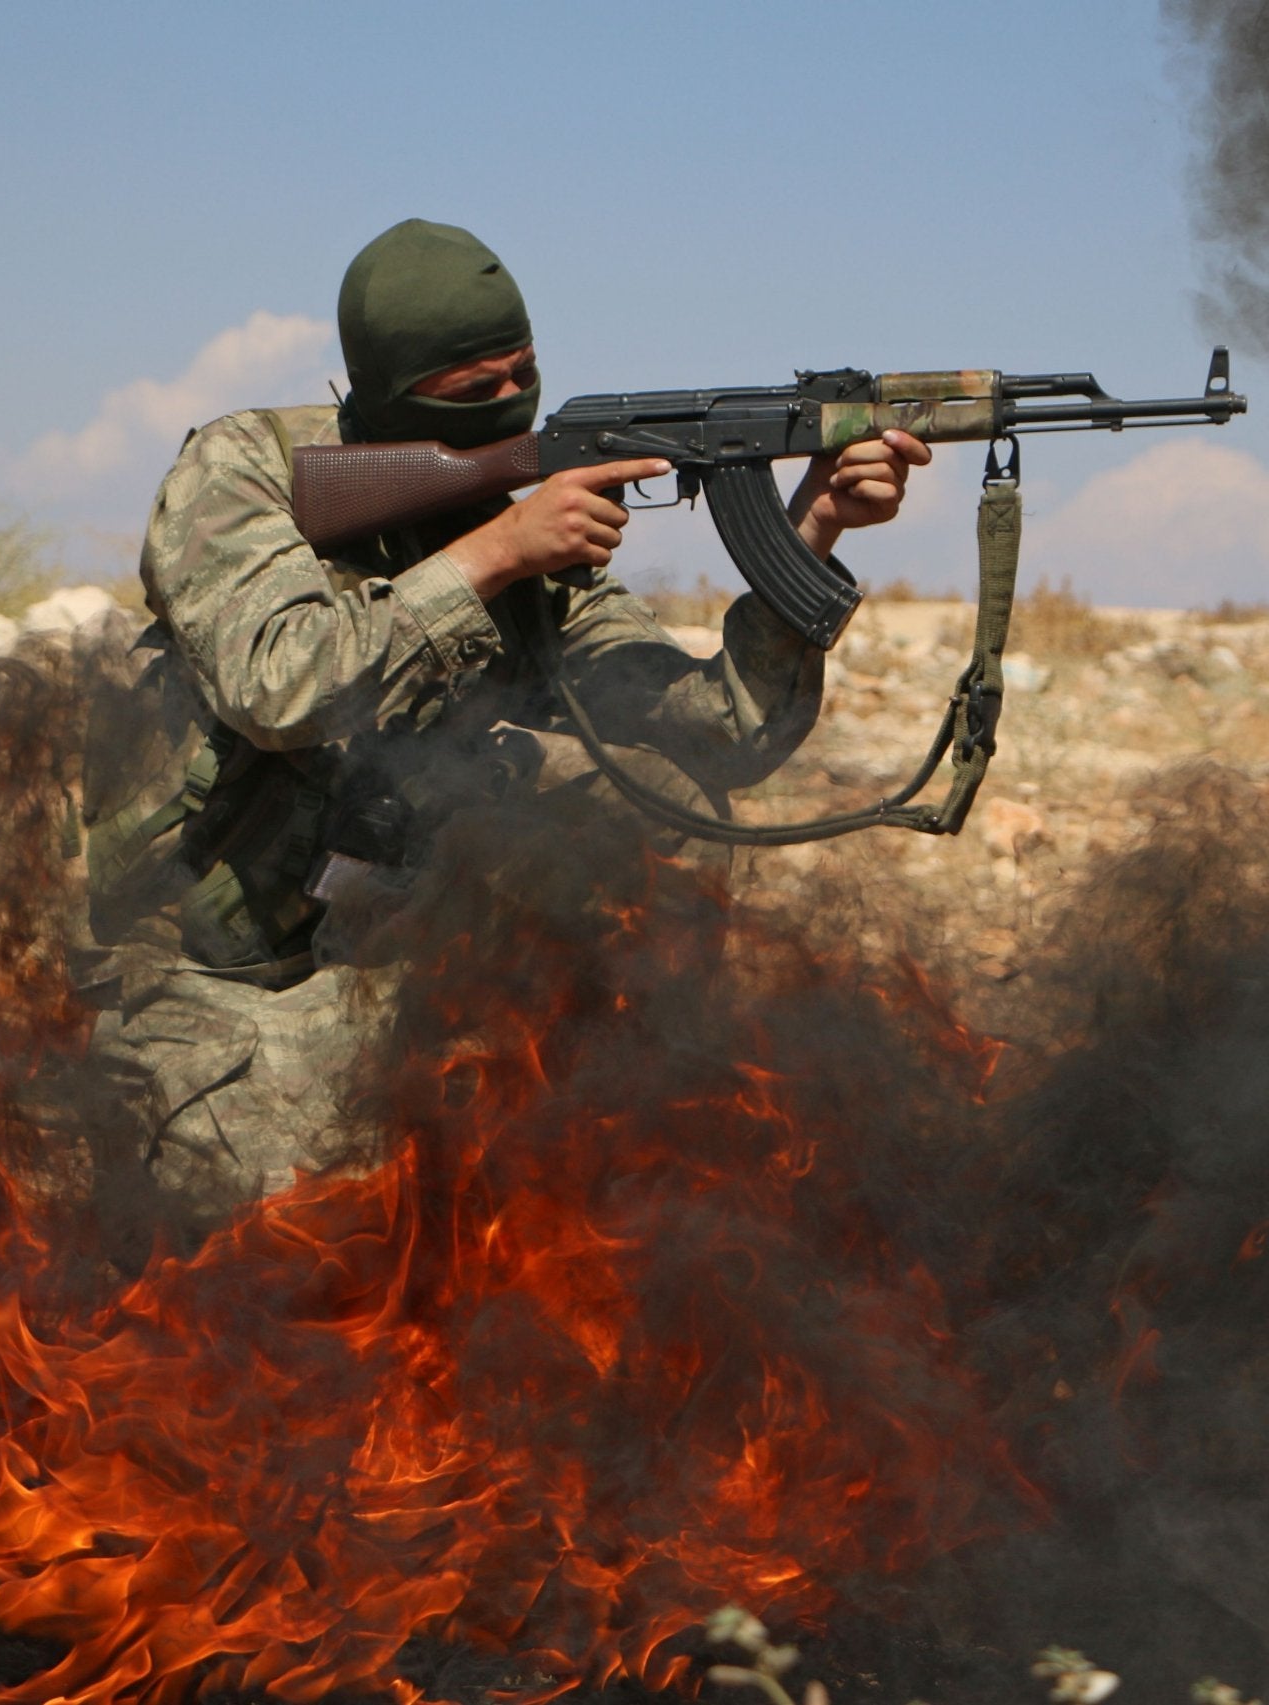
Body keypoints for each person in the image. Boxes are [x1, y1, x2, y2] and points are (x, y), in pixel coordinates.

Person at [71, 218, 929, 1245]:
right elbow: (277, 684)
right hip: (217, 965)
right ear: (388, 388)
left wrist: (810, 534)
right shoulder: (247, 467)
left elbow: (713, 739)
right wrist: (493, 555)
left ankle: (636, 1113)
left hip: (401, 949)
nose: (508, 405)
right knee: (281, 1240)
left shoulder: (531, 545)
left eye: (523, 376)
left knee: (672, 812)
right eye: (473, 392)